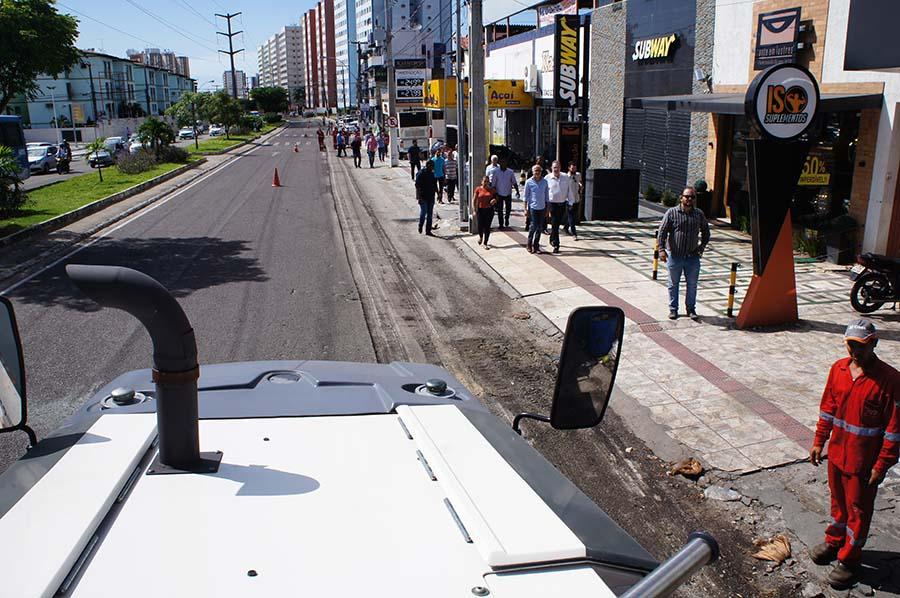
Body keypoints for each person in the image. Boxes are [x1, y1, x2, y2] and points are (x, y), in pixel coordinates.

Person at [809, 319, 900, 589]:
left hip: (864, 463)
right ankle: (834, 541)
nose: (854, 351)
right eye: (850, 345)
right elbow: (828, 409)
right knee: (838, 503)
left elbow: (894, 430)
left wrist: (882, 465)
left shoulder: (891, 380)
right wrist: (819, 441)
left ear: (874, 343)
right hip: (837, 455)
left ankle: (850, 560)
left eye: (860, 346)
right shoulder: (838, 370)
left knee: (858, 511)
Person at [657, 187, 710, 320]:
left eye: (692, 197)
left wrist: (702, 247)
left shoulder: (699, 214)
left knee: (692, 285)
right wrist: (661, 250)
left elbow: (706, 231)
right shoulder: (671, 213)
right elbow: (662, 232)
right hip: (675, 256)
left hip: (692, 257)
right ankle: (673, 309)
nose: (689, 199)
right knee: (673, 284)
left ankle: (691, 309)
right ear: (681, 198)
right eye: (687, 196)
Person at [546, 160, 578, 254]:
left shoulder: (565, 177)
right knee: (555, 223)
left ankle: (552, 237)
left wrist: (571, 202)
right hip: (552, 204)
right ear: (551, 168)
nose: (556, 169)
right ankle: (556, 244)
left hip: (562, 204)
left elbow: (569, 190)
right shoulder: (547, 178)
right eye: (554, 167)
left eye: (557, 167)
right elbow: (545, 191)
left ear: (560, 168)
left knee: (557, 223)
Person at [524, 164, 549, 254]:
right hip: (533, 208)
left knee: (540, 228)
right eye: (536, 171)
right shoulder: (528, 182)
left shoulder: (545, 182)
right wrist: (525, 209)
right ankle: (529, 244)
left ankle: (536, 246)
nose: (537, 172)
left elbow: (547, 196)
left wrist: (547, 209)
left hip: (542, 208)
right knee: (533, 226)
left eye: (539, 171)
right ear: (533, 172)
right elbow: (526, 197)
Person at [491, 159, 519, 229]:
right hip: (499, 193)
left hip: (508, 193)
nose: (503, 164)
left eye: (504, 162)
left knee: (508, 208)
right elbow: (493, 184)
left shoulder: (510, 172)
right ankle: (501, 223)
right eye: (502, 162)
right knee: (499, 209)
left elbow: (514, 182)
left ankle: (507, 218)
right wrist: (494, 194)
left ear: (506, 163)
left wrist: (517, 191)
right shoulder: (495, 171)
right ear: (499, 163)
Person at [415, 160, 438, 236]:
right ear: (428, 165)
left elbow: (435, 184)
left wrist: (438, 193)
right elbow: (417, 186)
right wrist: (418, 197)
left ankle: (428, 230)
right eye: (432, 166)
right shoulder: (421, 173)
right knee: (423, 212)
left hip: (431, 196)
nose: (433, 167)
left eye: (433, 166)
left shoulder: (432, 174)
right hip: (423, 196)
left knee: (430, 214)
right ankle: (420, 225)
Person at [474, 175, 497, 249]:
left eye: (487, 181)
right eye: (484, 181)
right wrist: (474, 210)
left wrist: (494, 200)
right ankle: (481, 237)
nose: (486, 183)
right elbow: (474, 200)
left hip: (489, 210)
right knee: (480, 225)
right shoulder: (478, 189)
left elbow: (497, 198)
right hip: (480, 210)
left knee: (487, 227)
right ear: (482, 182)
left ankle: (485, 242)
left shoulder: (492, 190)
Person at [564, 162, 583, 239]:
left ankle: (566, 227)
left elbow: (580, 182)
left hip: (576, 198)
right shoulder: (566, 177)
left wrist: (581, 186)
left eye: (575, 168)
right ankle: (574, 233)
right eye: (572, 168)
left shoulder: (578, 175)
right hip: (569, 199)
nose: (574, 170)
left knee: (573, 215)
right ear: (569, 168)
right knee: (571, 216)